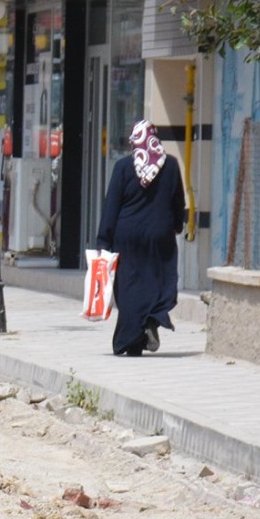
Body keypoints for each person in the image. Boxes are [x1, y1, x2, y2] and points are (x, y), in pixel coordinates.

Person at [97, 120, 189, 356]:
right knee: (159, 283)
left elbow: (111, 207)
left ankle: (131, 340)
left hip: (127, 238)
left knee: (129, 289)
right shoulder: (171, 166)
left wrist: (103, 242)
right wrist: (177, 225)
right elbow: (178, 201)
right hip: (160, 237)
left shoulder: (124, 167)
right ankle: (151, 320)